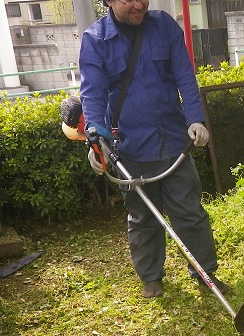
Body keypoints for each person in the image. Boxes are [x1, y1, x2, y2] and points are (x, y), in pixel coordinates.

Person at [78, 0, 227, 299]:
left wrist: (195, 119)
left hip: (173, 140)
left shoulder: (164, 26)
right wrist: (96, 142)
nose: (138, 4)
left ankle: (205, 273)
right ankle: (151, 277)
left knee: (189, 212)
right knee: (143, 216)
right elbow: (92, 94)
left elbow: (185, 76)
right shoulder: (95, 40)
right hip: (129, 146)